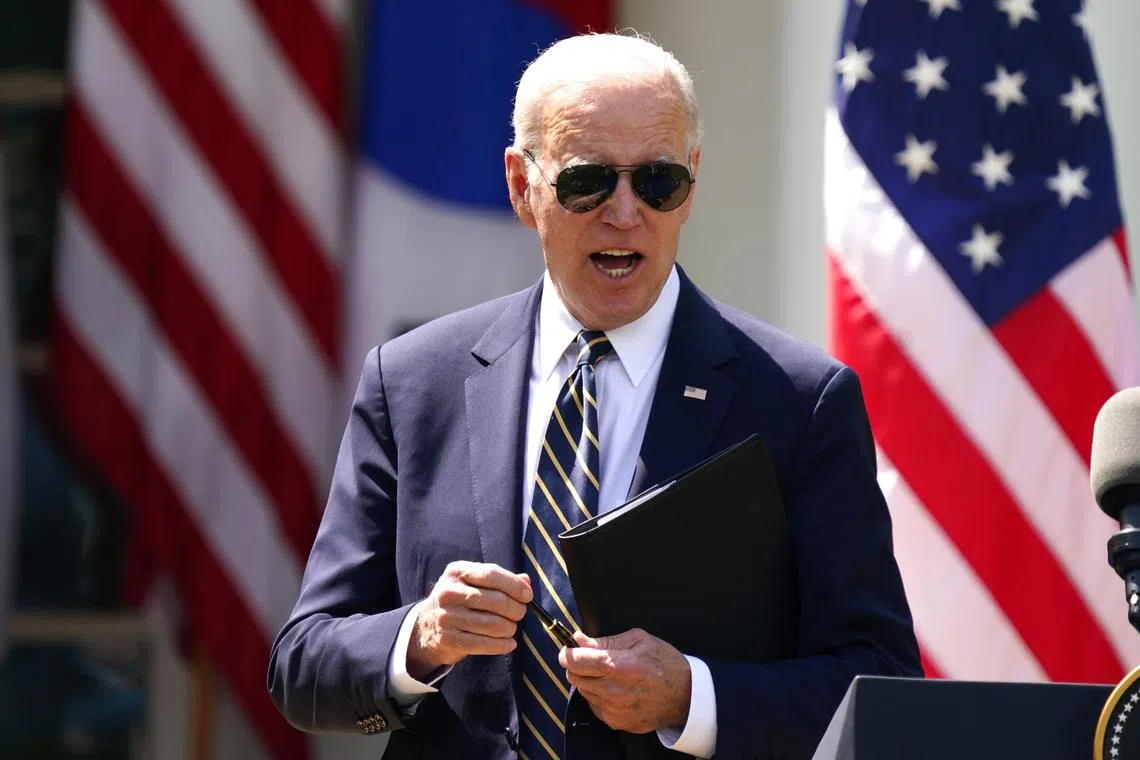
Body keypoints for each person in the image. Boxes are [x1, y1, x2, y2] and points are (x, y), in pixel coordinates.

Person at [267, 31, 921, 760]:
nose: (625, 212)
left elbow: (880, 678)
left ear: (692, 184)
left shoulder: (800, 401)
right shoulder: (414, 382)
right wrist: (416, 639)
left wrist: (692, 697)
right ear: (522, 186)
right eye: (588, 181)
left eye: (658, 181)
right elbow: (303, 666)